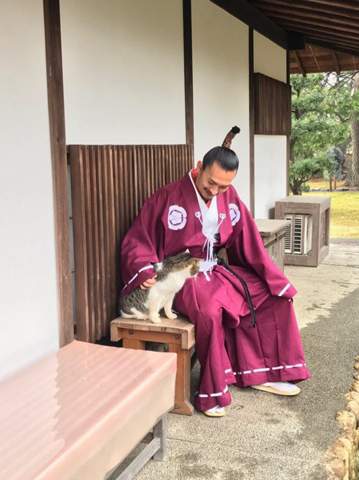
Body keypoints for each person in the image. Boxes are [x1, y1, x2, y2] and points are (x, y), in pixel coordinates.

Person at [121, 127, 310, 417]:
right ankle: (213, 389)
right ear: (198, 168)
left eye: (223, 186)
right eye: (211, 183)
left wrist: (274, 278)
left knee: (273, 297)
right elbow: (138, 238)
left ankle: (265, 372)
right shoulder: (166, 197)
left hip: (216, 271)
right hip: (184, 277)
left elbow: (249, 240)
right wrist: (142, 266)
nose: (215, 191)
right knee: (209, 310)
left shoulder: (228, 195)